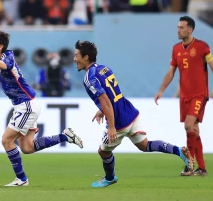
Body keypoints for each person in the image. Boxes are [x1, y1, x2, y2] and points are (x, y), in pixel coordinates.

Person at [0, 4, 83, 187]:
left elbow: (0, 66)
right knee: (27, 148)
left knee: (6, 140)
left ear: (0, 47)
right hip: (25, 105)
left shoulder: (7, 58)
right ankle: (65, 136)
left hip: (26, 105)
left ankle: (22, 179)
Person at [74, 40, 194, 188]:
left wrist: (111, 127)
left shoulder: (89, 78)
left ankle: (110, 177)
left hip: (118, 121)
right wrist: (101, 110)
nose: (74, 59)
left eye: (76, 55)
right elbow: (113, 95)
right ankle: (179, 152)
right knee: (144, 145)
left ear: (86, 57)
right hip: (130, 112)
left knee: (103, 152)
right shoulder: (104, 68)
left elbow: (106, 102)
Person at [155, 16, 213, 176]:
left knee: (188, 125)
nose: (178, 30)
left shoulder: (203, 47)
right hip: (185, 96)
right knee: (193, 129)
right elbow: (171, 72)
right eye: (178, 27)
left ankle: (190, 165)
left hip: (199, 94)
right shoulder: (176, 49)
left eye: (181, 27)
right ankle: (201, 168)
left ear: (190, 29)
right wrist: (161, 90)